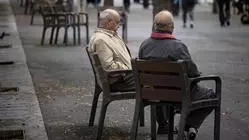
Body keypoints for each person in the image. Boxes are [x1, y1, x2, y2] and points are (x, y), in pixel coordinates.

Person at [138, 10, 215, 140]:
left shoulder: (144, 45)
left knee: (159, 87)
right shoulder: (178, 47)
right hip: (179, 95)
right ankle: (188, 125)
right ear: (170, 27)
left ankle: (163, 124)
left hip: (152, 93)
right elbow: (193, 73)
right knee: (210, 94)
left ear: (155, 25)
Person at [88, 9, 135, 92]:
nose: (119, 25)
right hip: (118, 81)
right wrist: (129, 68)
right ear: (108, 22)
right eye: (117, 22)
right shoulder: (101, 40)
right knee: (151, 81)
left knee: (151, 78)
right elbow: (109, 67)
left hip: (124, 76)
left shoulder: (110, 35)